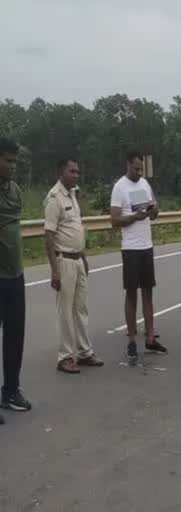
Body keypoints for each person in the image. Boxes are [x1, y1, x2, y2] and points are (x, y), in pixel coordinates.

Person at [44, 158, 103, 374]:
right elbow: (48, 236)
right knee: (65, 311)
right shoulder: (54, 198)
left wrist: (84, 258)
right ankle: (66, 356)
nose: (76, 175)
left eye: (78, 171)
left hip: (78, 259)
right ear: (61, 172)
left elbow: (76, 230)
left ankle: (85, 351)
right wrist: (54, 270)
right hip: (64, 261)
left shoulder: (73, 195)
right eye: (72, 171)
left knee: (81, 308)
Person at [110, 150, 167, 364]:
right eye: (135, 168)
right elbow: (114, 219)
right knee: (132, 293)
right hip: (131, 247)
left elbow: (155, 210)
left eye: (141, 168)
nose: (138, 171)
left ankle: (151, 336)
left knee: (148, 291)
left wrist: (153, 211)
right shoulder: (119, 187)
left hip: (147, 244)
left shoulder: (144, 184)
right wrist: (135, 216)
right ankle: (132, 339)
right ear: (127, 165)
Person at [0, 138, 32, 420]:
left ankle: (10, 390)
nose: (12, 166)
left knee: (14, 335)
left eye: (14, 161)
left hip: (15, 275)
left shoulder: (15, 191)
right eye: (7, 161)